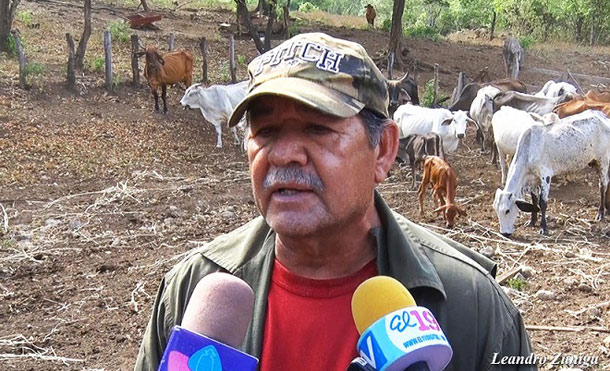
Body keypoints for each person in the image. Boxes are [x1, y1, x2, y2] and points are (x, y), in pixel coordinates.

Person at [134, 32, 535, 371]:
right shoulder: (190, 295)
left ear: (383, 151)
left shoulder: (473, 310)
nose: (284, 154)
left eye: (318, 129)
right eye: (267, 131)